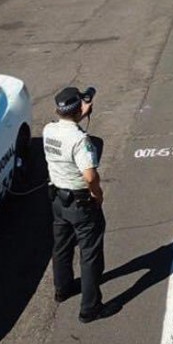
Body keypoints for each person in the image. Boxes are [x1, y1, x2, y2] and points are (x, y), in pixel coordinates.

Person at [43, 86, 118, 323]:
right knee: (90, 254)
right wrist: (98, 194)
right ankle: (90, 308)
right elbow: (90, 176)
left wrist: (80, 114)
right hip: (81, 202)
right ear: (78, 110)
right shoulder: (81, 140)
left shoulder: (49, 130)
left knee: (62, 246)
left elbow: (68, 124)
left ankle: (63, 289)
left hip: (57, 199)